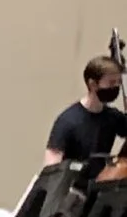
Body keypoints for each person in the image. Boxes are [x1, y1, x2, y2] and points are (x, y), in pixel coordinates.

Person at [47, 53, 126, 183]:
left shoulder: (113, 117)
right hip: (72, 192)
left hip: (98, 189)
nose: (116, 87)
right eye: (111, 83)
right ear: (93, 84)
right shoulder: (68, 121)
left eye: (118, 82)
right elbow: (51, 170)